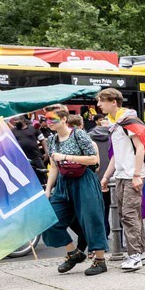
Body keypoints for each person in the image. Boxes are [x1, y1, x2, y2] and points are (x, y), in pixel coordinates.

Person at [42, 106, 108, 276]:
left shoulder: (78, 134)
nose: (48, 122)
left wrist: (66, 157)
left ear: (64, 119)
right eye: (47, 119)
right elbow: (54, 167)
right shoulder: (51, 140)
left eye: (52, 119)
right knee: (50, 220)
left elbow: (93, 159)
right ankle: (74, 253)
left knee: (91, 218)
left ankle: (100, 260)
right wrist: (48, 190)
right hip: (63, 183)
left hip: (84, 180)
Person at [97, 88, 145, 271]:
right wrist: (106, 176)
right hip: (123, 174)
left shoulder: (127, 120)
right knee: (132, 215)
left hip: (131, 175)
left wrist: (136, 174)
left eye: (101, 101)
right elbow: (116, 154)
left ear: (113, 101)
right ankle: (143, 253)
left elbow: (140, 147)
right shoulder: (115, 123)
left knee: (128, 215)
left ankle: (134, 256)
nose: (98, 105)